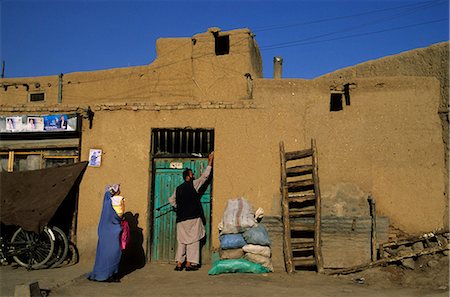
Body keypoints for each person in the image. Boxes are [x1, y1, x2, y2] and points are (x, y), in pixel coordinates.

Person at [169, 152, 214, 271]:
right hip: (193, 217)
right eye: (192, 174)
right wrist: (210, 162)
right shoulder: (193, 185)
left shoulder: (178, 188)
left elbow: (171, 200)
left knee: (182, 241)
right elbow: (205, 177)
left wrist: (178, 207)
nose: (193, 175)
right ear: (188, 177)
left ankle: (179, 263)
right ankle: (189, 263)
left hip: (181, 219)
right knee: (193, 241)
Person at [87, 184, 123, 282]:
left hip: (106, 231)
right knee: (112, 253)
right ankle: (106, 275)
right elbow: (115, 217)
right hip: (111, 232)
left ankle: (106, 273)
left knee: (103, 253)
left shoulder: (107, 203)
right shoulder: (112, 203)